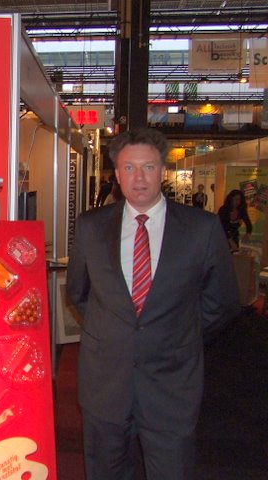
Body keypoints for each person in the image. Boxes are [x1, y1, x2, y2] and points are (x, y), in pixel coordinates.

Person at [66, 128, 240, 480]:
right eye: (129, 168)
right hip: (105, 382)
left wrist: (178, 335)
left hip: (171, 384)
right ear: (117, 175)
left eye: (148, 167)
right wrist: (114, 332)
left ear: (162, 171)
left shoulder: (202, 228)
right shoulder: (91, 227)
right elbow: (78, 293)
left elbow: (222, 302)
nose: (139, 178)